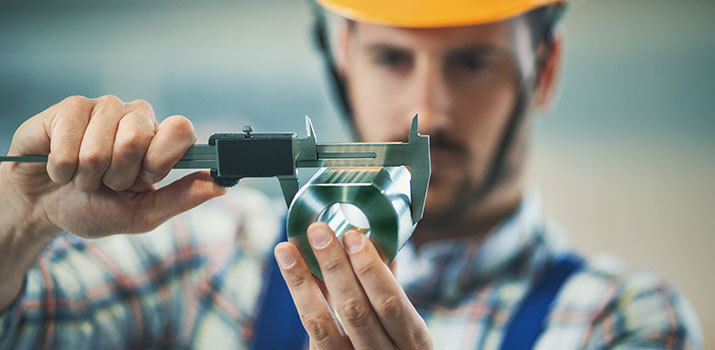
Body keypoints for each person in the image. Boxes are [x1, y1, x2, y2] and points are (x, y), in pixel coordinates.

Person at [0, 0, 703, 348]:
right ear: (341, 57)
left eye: (473, 63)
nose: (427, 106)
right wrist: (21, 220)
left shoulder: (620, 318)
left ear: (540, 71)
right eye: (391, 60)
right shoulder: (205, 254)